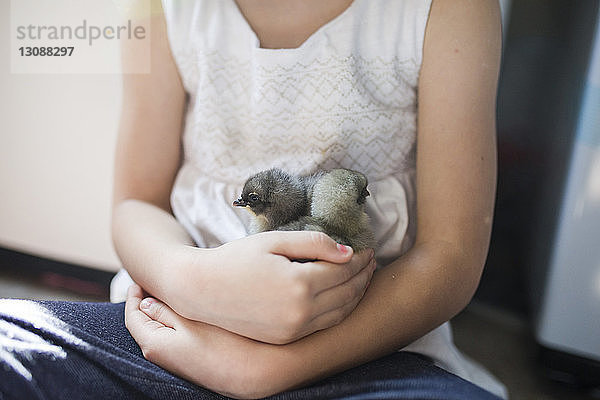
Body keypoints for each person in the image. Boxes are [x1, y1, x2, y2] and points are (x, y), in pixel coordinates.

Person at [1, 0, 507, 399]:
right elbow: (137, 204)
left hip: (366, 354)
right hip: (174, 331)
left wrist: (265, 368)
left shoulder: (447, 9)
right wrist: (192, 280)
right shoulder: (160, 9)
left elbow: (450, 258)